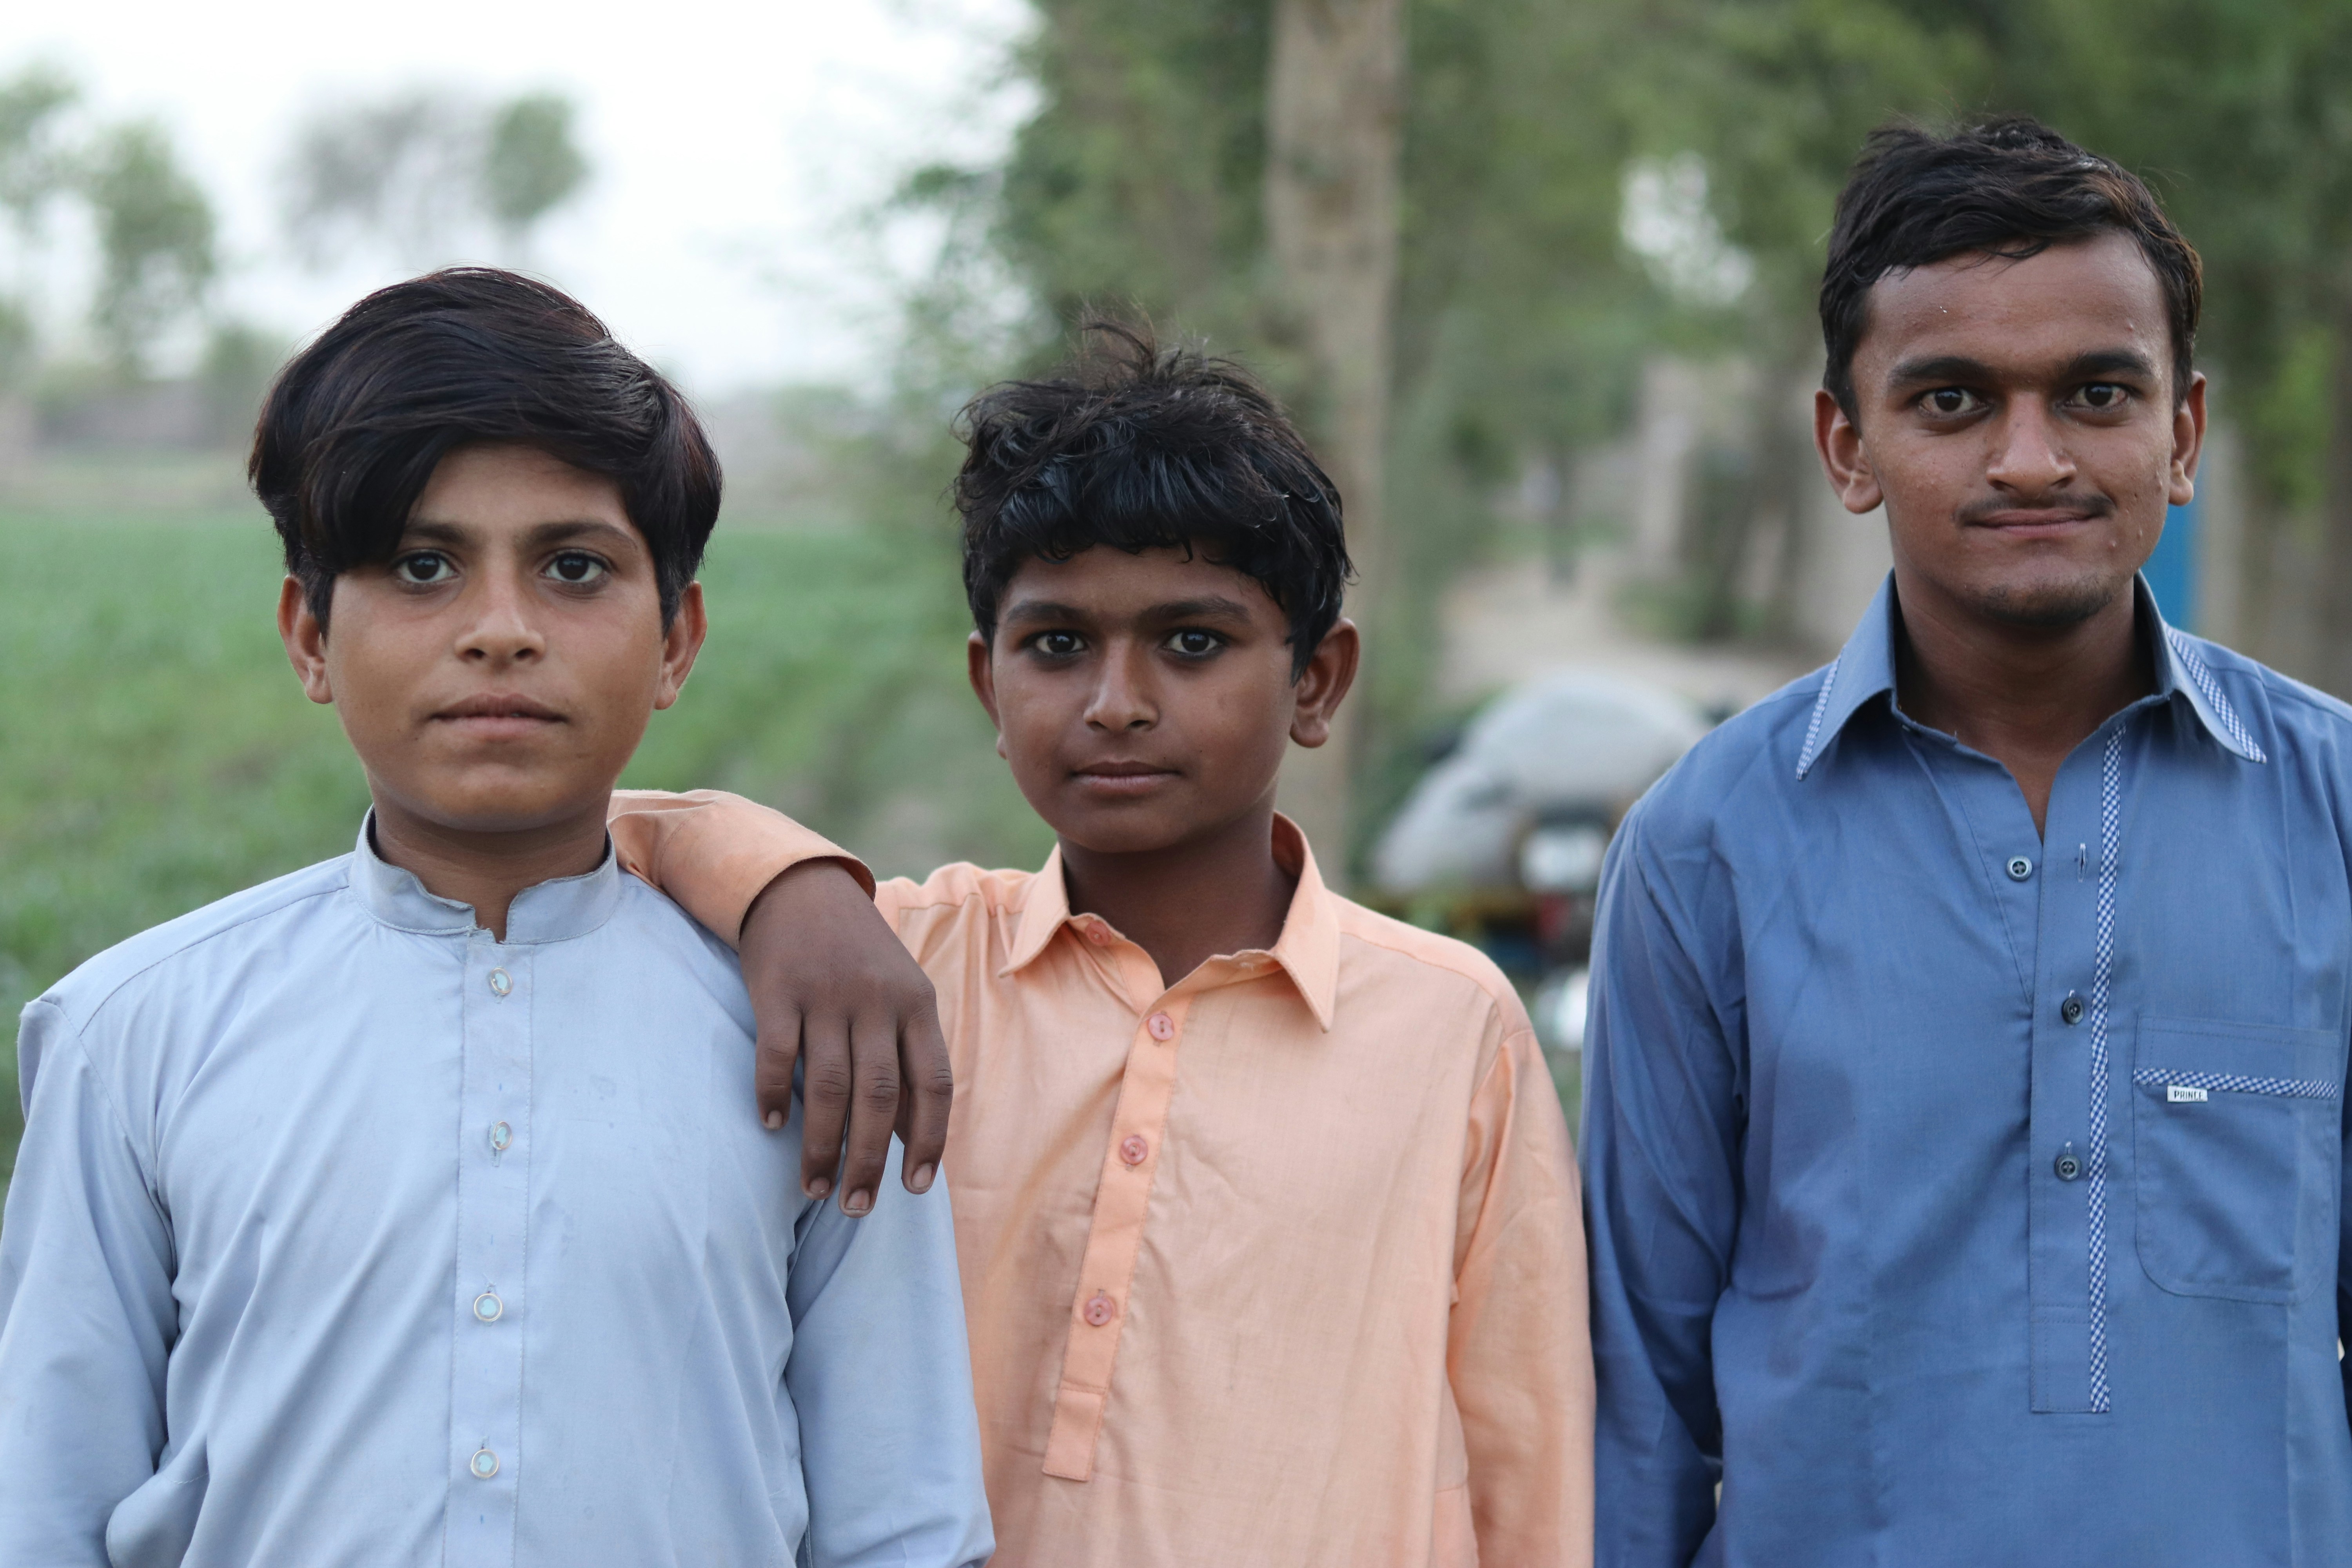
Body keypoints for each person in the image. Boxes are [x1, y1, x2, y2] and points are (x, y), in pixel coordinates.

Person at [0, 269, 992, 1567]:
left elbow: (900, 1526)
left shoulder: (816, 1033)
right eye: (424, 566)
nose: (502, 632)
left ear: (678, 640)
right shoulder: (129, 1035)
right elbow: (45, 1509)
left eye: (574, 568)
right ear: (310, 635)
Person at [607, 325, 1594, 1566]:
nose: (1115, 702)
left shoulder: (1451, 1026)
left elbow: (1529, 1449)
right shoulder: (896, 969)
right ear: (988, 686)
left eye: (1193, 643)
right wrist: (790, 885)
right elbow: (598, 841)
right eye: (1058, 644)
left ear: (1317, 683)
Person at [1580, 116, 2352, 1565]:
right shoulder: (1707, 848)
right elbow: (1641, 1399)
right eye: (1950, 400)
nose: (2032, 457)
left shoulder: (2336, 810)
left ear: (2180, 434)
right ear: (1847, 445)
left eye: (2097, 393)